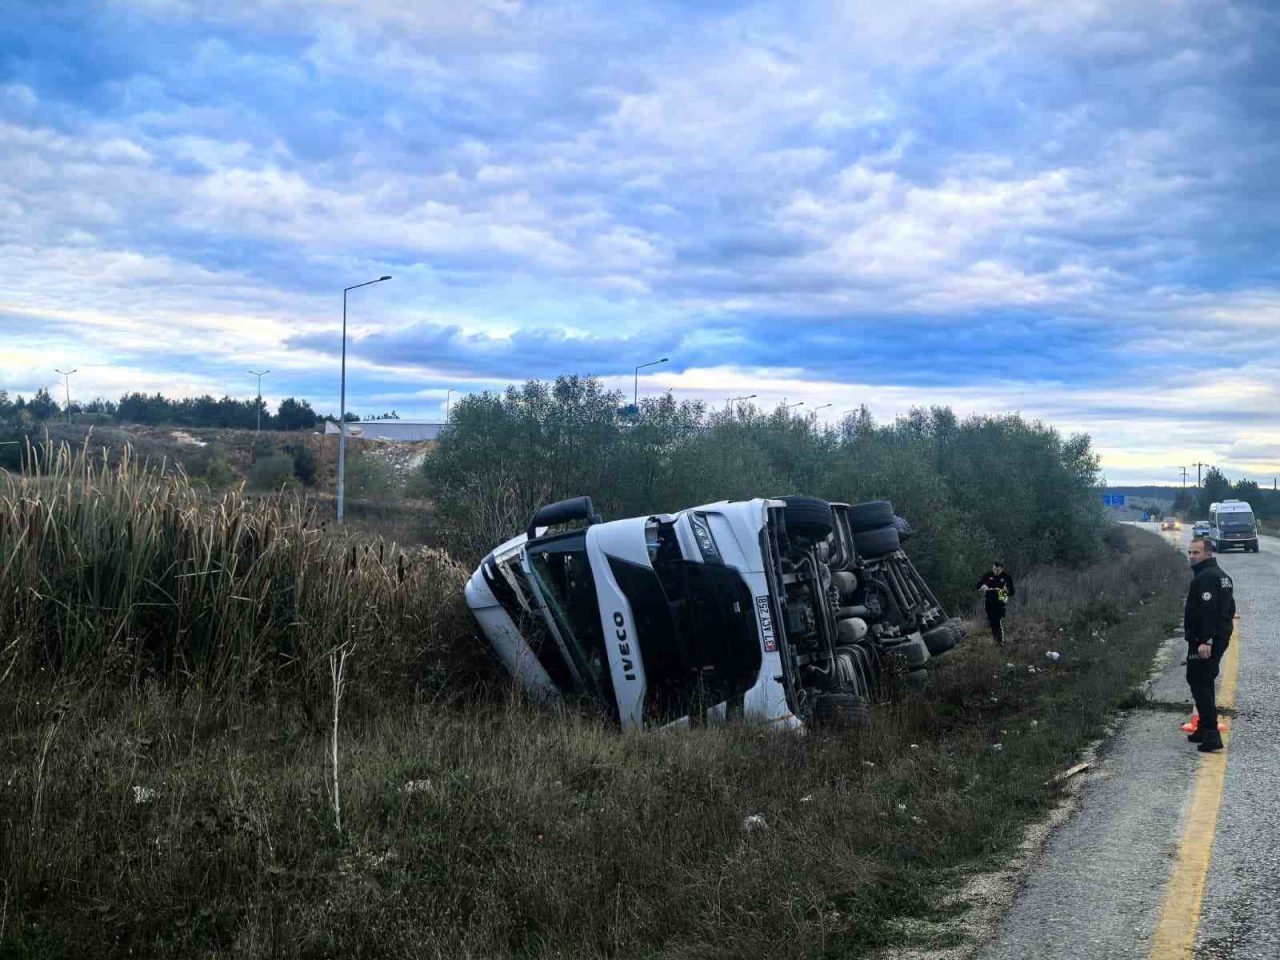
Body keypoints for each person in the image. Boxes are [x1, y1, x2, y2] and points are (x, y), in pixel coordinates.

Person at [1184, 538, 1235, 753]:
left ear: (1208, 554)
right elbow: (1230, 608)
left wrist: (1206, 641)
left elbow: (1209, 611)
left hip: (1207, 639)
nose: (1192, 556)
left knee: (1198, 681)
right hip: (1218, 635)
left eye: (1197, 553)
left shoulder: (1205, 578)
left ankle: (1212, 734)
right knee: (1204, 678)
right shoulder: (1221, 576)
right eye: (1190, 552)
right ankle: (1204, 728)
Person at [977, 561, 1015, 645]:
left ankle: (1000, 641)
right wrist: (982, 586)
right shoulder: (988, 575)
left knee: (997, 619)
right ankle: (995, 638)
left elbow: (1012, 591)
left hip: (1000, 600)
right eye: (994, 569)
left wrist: (1004, 591)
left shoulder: (1006, 577)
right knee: (991, 621)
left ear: (1002, 569)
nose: (995, 572)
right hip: (989, 600)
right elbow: (978, 584)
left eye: (997, 570)